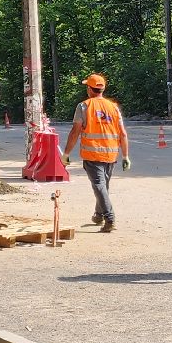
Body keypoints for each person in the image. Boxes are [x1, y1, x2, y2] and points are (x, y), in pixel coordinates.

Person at [61, 74, 129, 233]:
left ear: (90, 89)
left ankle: (109, 217)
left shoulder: (84, 106)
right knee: (103, 186)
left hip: (93, 155)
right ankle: (98, 215)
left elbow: (75, 131)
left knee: (99, 186)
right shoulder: (113, 107)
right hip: (111, 155)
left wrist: (66, 154)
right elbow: (123, 134)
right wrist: (125, 156)